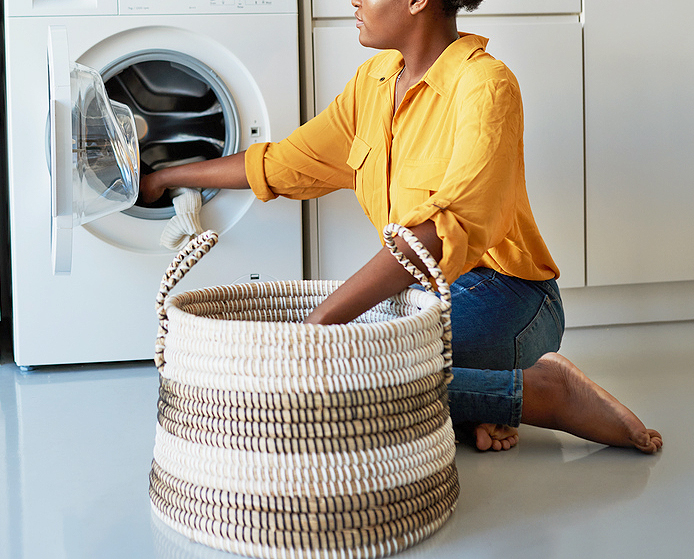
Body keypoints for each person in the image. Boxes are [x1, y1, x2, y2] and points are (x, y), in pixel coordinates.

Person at [140, 0, 662, 454]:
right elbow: (284, 164)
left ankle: (547, 393)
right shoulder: (373, 84)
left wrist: (317, 324)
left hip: (511, 298)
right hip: (429, 296)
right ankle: (478, 406)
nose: (353, 1)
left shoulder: (485, 87)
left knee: (347, 367)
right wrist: (168, 176)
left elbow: (440, 231)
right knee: (349, 368)